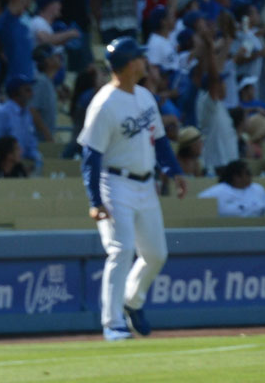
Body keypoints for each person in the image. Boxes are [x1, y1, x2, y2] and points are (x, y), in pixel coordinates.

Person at [78, 37, 186, 341]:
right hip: (114, 182)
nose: (144, 62)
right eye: (139, 58)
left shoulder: (144, 96)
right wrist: (95, 200)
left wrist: (175, 171)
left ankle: (132, 300)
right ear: (127, 65)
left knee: (156, 254)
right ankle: (112, 323)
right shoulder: (104, 103)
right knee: (121, 249)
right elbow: (91, 156)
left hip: (145, 183)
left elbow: (161, 141)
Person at [198, 160, 265, 218]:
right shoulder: (216, 192)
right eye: (247, 173)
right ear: (236, 177)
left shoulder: (258, 189)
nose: (251, 176)